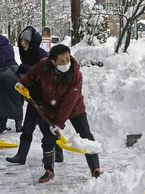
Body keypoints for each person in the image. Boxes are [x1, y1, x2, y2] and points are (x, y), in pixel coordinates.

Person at [18, 44, 100, 183]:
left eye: (67, 59)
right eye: (61, 61)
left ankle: (95, 169)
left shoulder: (75, 74)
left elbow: (69, 101)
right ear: (52, 61)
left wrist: (58, 123)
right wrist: (22, 83)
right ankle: (49, 170)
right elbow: (31, 75)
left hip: (75, 108)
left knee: (86, 135)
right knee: (48, 138)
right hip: (51, 106)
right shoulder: (43, 65)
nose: (66, 63)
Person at [6, 26, 64, 164]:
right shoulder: (26, 53)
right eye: (21, 40)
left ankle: (58, 153)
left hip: (44, 97)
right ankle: (21, 156)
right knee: (29, 127)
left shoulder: (40, 54)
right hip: (33, 96)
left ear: (32, 42)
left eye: (26, 41)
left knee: (44, 127)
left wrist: (23, 69)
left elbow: (44, 74)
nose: (23, 43)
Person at [0, 35, 23, 133]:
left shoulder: (1, 49)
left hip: (4, 74)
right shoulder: (8, 46)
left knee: (3, 102)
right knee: (17, 101)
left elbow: (2, 62)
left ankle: (1, 126)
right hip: (14, 72)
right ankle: (18, 126)